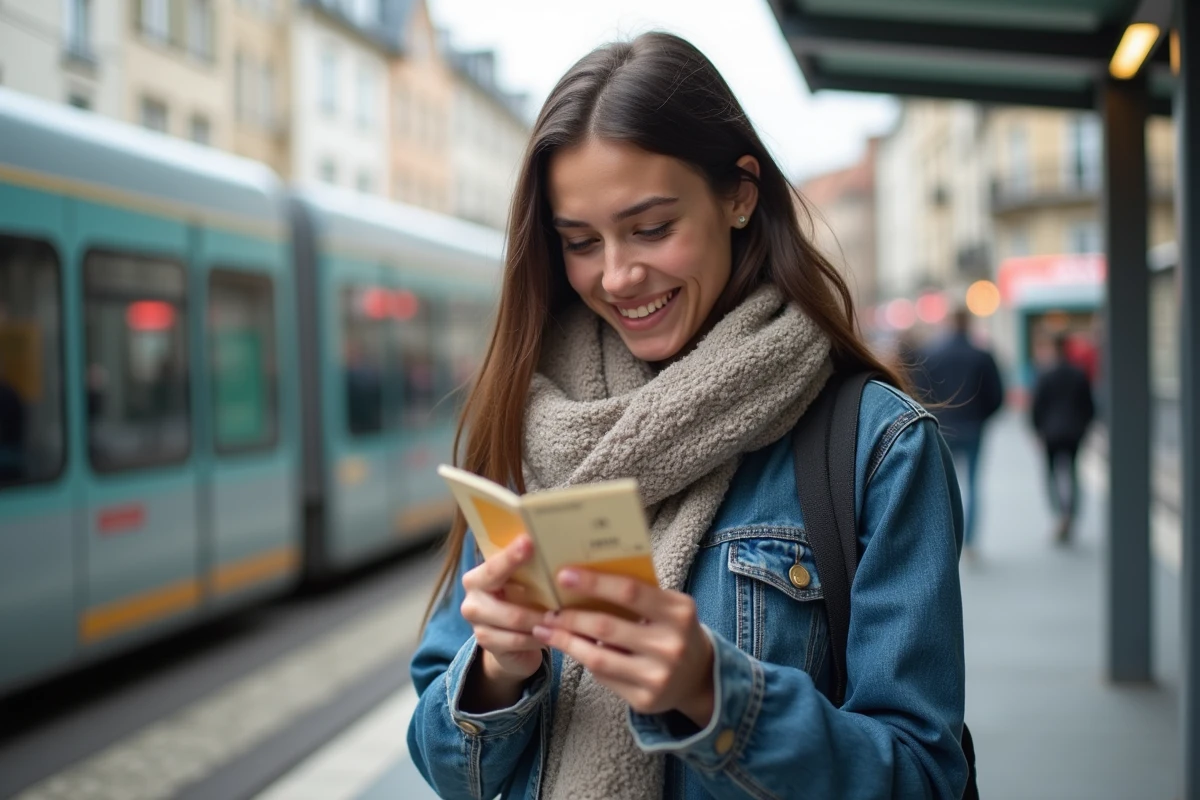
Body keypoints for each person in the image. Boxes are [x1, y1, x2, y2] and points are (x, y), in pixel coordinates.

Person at [408, 32, 968, 800]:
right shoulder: (526, 426)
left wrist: (718, 694)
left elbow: (924, 776)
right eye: (579, 242)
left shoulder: (878, 446)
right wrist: (497, 673)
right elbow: (449, 769)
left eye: (650, 228)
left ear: (740, 194)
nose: (616, 275)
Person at [910, 309, 1003, 559]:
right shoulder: (982, 355)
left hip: (943, 427)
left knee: (941, 486)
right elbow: (997, 396)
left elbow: (920, 391)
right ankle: (971, 542)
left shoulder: (931, 354)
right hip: (973, 426)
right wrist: (981, 417)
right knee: (973, 483)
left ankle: (947, 542)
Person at [1030, 333, 1096, 544]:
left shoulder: (1045, 374)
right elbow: (1089, 406)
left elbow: (1037, 407)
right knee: (1073, 473)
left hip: (1050, 433)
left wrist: (1037, 430)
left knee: (1050, 474)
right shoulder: (1079, 374)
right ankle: (1071, 515)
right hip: (1074, 432)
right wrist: (1085, 428)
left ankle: (1059, 515)